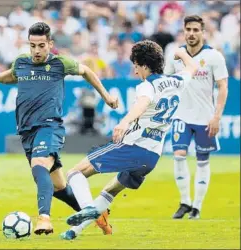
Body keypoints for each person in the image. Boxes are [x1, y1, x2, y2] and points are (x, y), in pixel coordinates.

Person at [0, 22, 118, 235]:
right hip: (27, 131)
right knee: (59, 187)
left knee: (39, 164)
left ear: (50, 44)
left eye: (41, 45)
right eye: (33, 45)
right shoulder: (22, 62)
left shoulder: (60, 64)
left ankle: (44, 219)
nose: (37, 51)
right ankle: (97, 215)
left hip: (49, 127)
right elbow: (12, 75)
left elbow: (86, 71)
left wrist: (106, 96)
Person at [60, 40, 198, 240]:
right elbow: (192, 67)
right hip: (151, 157)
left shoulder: (147, 86)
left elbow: (142, 104)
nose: (135, 71)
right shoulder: (177, 82)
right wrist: (181, 53)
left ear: (143, 65)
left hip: (134, 147)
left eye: (135, 65)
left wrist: (124, 122)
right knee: (110, 191)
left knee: (74, 173)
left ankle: (89, 208)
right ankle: (75, 231)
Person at [164, 15, 228, 219]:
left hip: (205, 117)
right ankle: (184, 201)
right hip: (181, 115)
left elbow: (223, 86)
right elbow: (167, 82)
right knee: (179, 155)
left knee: (202, 161)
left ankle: (197, 206)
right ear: (183, 31)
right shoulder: (176, 55)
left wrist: (216, 116)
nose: (191, 34)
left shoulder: (213, 56)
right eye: (188, 30)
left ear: (203, 32)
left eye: (195, 30)